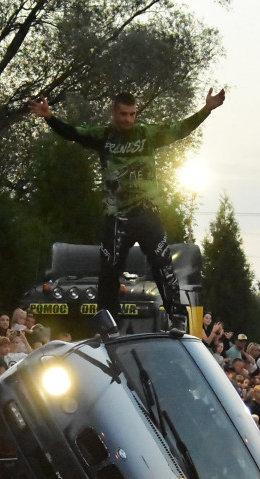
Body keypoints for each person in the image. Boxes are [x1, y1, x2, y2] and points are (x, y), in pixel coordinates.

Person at [28, 88, 225, 332]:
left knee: (162, 262)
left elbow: (179, 129)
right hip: (117, 216)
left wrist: (206, 110)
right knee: (109, 270)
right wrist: (50, 118)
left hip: (147, 212)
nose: (128, 120)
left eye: (132, 114)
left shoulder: (147, 134)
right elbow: (74, 134)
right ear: (114, 113)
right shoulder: (104, 136)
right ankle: (107, 323)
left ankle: (177, 317)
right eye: (123, 114)